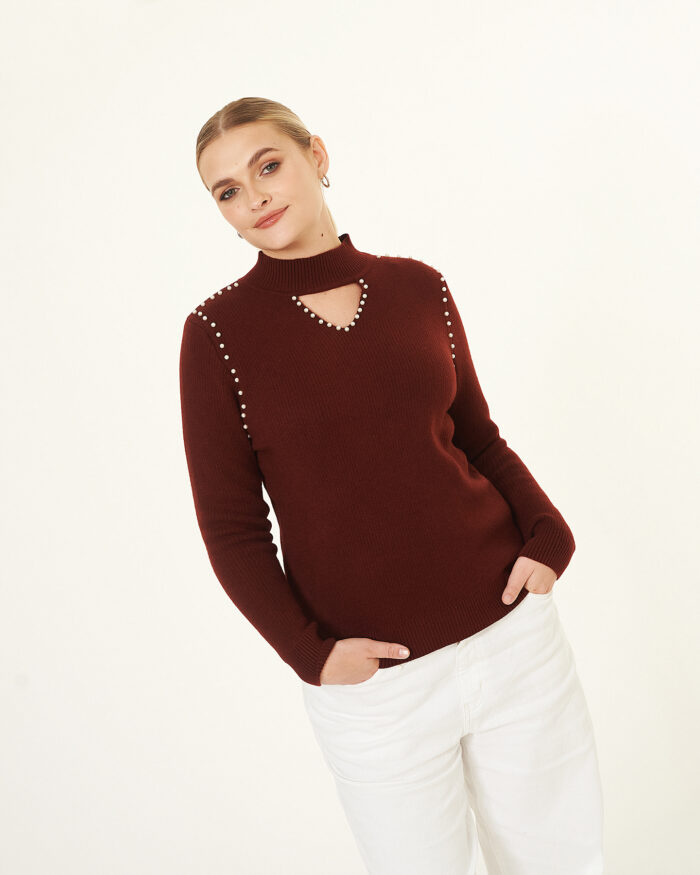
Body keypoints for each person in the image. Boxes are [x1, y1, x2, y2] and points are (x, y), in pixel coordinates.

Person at [179, 96, 605, 874]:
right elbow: (232, 528)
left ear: (317, 155)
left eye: (269, 166)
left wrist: (550, 532)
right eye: (228, 191)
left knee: (563, 861)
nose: (255, 197)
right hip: (377, 688)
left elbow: (477, 437)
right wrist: (310, 654)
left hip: (513, 641)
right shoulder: (216, 336)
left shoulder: (419, 287)